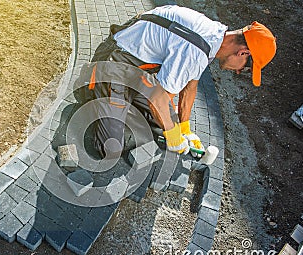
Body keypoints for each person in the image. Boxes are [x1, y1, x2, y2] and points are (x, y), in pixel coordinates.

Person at [78, 5, 276, 159]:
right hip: (114, 65)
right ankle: (92, 90)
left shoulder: (213, 36)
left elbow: (190, 87)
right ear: (244, 52)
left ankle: (120, 108)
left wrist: (184, 128)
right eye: (245, 68)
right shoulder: (196, 49)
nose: (239, 70)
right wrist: (173, 135)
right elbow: (157, 99)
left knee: (161, 124)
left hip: (137, 70)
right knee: (111, 149)